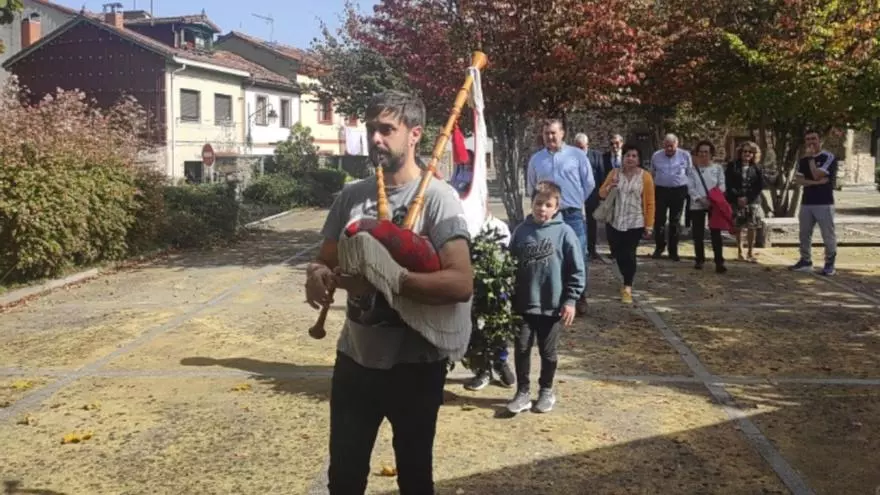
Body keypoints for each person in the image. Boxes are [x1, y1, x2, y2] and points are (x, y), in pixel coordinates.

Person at [305, 90, 474, 495]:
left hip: (416, 366)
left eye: (386, 129)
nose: (375, 139)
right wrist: (316, 274)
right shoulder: (352, 196)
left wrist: (391, 280)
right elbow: (323, 259)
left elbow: (460, 283)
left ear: (415, 134)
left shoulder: (439, 200)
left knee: (415, 481)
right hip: (355, 361)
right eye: (371, 129)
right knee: (343, 480)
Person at [506, 181, 586, 414]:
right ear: (531, 203)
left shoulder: (564, 233)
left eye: (548, 205)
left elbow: (576, 270)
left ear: (556, 208)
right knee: (522, 348)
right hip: (523, 304)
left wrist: (570, 300)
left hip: (551, 306)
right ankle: (522, 392)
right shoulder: (521, 231)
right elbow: (510, 264)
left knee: (547, 352)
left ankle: (546, 390)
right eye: (538, 203)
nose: (542, 208)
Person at [527, 119, 594, 315]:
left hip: (572, 214)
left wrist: (576, 201)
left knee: (578, 254)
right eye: (546, 133)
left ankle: (579, 297)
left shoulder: (577, 156)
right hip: (547, 217)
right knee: (549, 255)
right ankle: (553, 296)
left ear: (562, 133)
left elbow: (589, 183)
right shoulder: (536, 160)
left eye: (553, 133)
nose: (550, 137)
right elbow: (532, 187)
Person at [464, 200, 516, 391]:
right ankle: (482, 369)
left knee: (498, 328)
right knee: (475, 330)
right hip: (472, 289)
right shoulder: (466, 226)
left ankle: (500, 362)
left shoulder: (499, 227)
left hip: (496, 291)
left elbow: (508, 257)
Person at [599, 144, 655, 304]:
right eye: (627, 155)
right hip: (615, 221)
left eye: (634, 156)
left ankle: (627, 286)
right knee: (617, 252)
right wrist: (610, 186)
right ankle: (625, 275)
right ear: (623, 158)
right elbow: (601, 194)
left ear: (639, 159)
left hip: (635, 221)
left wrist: (649, 225)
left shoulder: (645, 177)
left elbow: (650, 202)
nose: (630, 158)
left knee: (629, 254)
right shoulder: (614, 173)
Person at [789, 129, 838, 275]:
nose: (811, 142)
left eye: (813, 139)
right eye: (808, 139)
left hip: (824, 202)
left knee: (827, 234)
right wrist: (816, 183)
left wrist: (811, 160)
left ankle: (829, 264)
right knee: (804, 234)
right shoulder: (803, 160)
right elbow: (799, 180)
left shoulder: (828, 157)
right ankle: (805, 261)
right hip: (807, 203)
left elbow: (817, 174)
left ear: (819, 140)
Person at [650, 134, 692, 261]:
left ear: (676, 145)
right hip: (661, 191)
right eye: (666, 146)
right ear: (663, 145)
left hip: (678, 191)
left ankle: (673, 251)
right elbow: (652, 172)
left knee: (675, 221)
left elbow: (690, 173)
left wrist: (688, 191)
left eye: (671, 146)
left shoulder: (685, 155)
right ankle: (659, 247)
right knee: (659, 220)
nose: (668, 149)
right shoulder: (656, 156)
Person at [688, 140, 727, 273]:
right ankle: (699, 259)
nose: (703, 154)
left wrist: (713, 198)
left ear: (711, 154)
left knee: (716, 233)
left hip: (714, 204)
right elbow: (690, 187)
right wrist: (700, 198)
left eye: (706, 152)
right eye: (701, 152)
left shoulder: (717, 168)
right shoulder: (692, 170)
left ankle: (719, 261)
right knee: (697, 234)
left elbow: (722, 184)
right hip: (697, 204)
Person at [725, 141, 766, 263]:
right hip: (736, 200)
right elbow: (728, 183)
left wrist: (748, 198)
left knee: (752, 226)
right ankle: (740, 251)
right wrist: (738, 197)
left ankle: (750, 252)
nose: (747, 154)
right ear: (740, 152)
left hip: (752, 201)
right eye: (745, 151)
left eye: (750, 152)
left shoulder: (758, 167)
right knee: (738, 226)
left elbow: (759, 186)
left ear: (754, 154)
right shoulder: (732, 166)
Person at [573, 132, 605, 260]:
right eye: (577, 147)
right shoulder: (570, 157)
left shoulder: (596, 156)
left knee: (592, 222)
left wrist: (601, 195)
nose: (580, 150)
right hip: (575, 195)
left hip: (592, 195)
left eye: (582, 147)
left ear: (587, 145)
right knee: (577, 221)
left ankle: (592, 249)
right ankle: (577, 249)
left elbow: (601, 175)